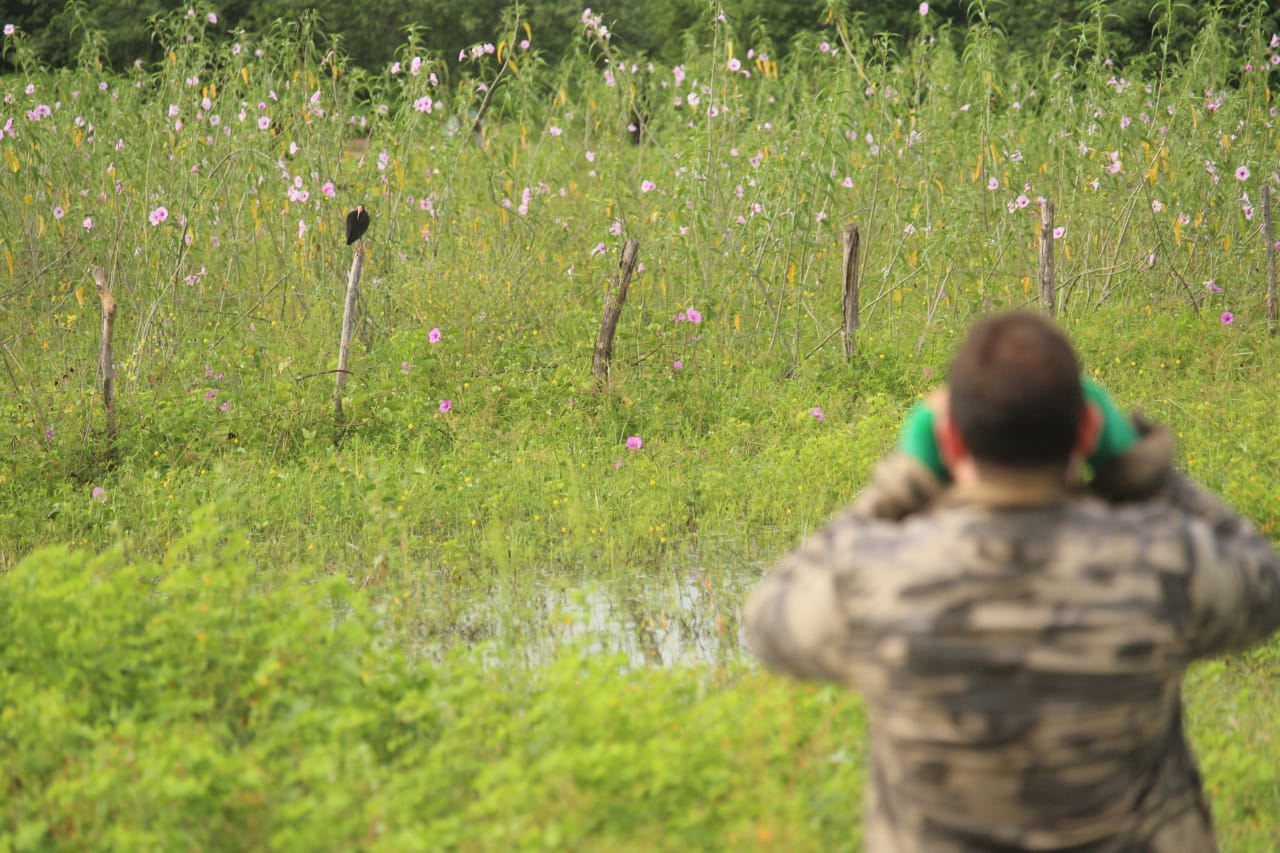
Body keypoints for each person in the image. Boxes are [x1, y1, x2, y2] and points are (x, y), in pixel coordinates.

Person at [744, 310, 1280, 852]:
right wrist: (1138, 468)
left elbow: (768, 620)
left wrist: (899, 484)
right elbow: (1265, 582)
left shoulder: (875, 578)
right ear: (1087, 430)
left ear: (951, 437)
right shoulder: (1161, 563)